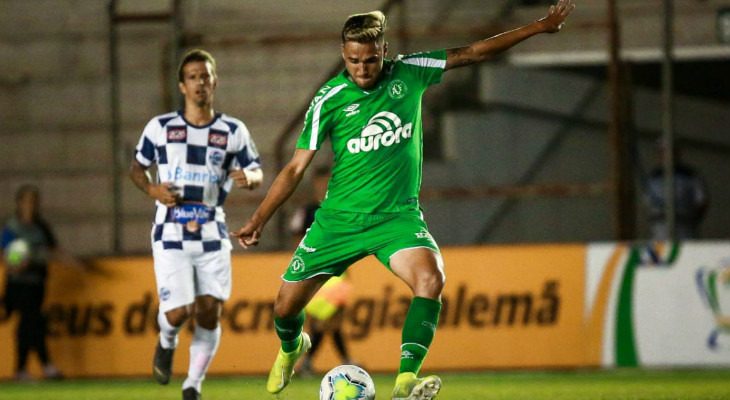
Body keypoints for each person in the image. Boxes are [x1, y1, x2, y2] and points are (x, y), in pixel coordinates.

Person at [231, 2, 574, 399]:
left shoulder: (410, 71)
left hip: (397, 218)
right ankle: (293, 348)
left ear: (385, 51)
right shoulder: (329, 99)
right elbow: (294, 169)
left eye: (371, 60)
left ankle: (406, 380)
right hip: (338, 221)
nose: (363, 69)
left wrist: (539, 26)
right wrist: (259, 218)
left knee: (432, 279)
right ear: (344, 55)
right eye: (355, 60)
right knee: (284, 309)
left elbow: (473, 52)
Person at [129, 49, 263, 400]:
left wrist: (250, 177)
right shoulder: (160, 128)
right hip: (170, 230)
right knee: (177, 312)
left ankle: (193, 385)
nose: (200, 82)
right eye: (192, 77)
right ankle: (166, 339)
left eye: (205, 76)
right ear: (182, 86)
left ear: (214, 82)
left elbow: (258, 170)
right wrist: (152, 188)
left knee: (208, 312)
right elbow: (136, 168)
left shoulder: (233, 130)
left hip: (211, 230)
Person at [1, 185, 85, 382]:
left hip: (37, 283)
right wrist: (15, 266)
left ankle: (22, 369)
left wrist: (76, 264)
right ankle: (46, 366)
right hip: (18, 284)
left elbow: (54, 251)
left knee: (29, 325)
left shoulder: (41, 228)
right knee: (32, 322)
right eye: (28, 200)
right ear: (20, 203)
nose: (32, 205)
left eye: (35, 201)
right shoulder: (12, 228)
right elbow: (5, 257)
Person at [288, 166, 357, 375]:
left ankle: (310, 364)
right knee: (321, 322)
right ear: (315, 185)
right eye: (321, 182)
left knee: (333, 321)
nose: (324, 186)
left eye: (328, 182)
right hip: (314, 272)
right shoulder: (307, 211)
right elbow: (297, 239)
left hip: (337, 273)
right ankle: (335, 361)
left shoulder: (341, 210)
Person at [645, 143, 708, 240]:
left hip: (684, 227)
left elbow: (701, 201)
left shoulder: (690, 176)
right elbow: (648, 204)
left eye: (670, 152)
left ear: (678, 153)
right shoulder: (653, 177)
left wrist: (691, 218)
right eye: (662, 152)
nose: (665, 156)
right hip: (660, 229)